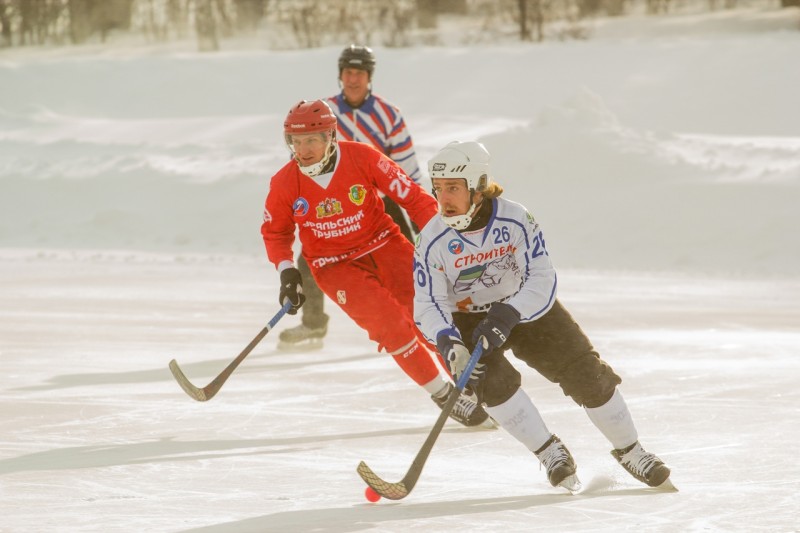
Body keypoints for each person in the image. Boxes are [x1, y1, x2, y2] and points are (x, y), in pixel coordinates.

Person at [413, 140, 672, 490]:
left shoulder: (516, 219)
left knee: (585, 373)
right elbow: (428, 302)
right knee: (493, 384)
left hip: (524, 307)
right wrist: (449, 342)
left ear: (477, 188)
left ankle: (632, 450)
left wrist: (509, 313)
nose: (444, 199)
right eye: (439, 188)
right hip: (469, 322)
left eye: (454, 188)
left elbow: (541, 277)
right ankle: (549, 451)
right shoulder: (431, 239)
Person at [260, 100, 491, 428]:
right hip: (332, 265)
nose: (303, 149)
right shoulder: (285, 183)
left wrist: (447, 244)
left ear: (330, 137)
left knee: (428, 316)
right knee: (389, 325)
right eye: (295, 142)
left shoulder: (363, 157)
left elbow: (413, 198)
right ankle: (444, 396)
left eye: (311, 140)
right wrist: (287, 271)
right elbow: (276, 233)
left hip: (384, 244)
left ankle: (472, 386)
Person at [278, 44, 421, 351]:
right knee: (311, 262)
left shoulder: (388, 114)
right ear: (340, 75)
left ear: (369, 77)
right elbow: (303, 157)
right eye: (348, 72)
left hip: (382, 202)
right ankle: (313, 324)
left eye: (360, 73)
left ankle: (419, 322)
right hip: (334, 204)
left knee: (409, 263)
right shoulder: (323, 112)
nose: (353, 79)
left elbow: (408, 169)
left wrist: (423, 219)